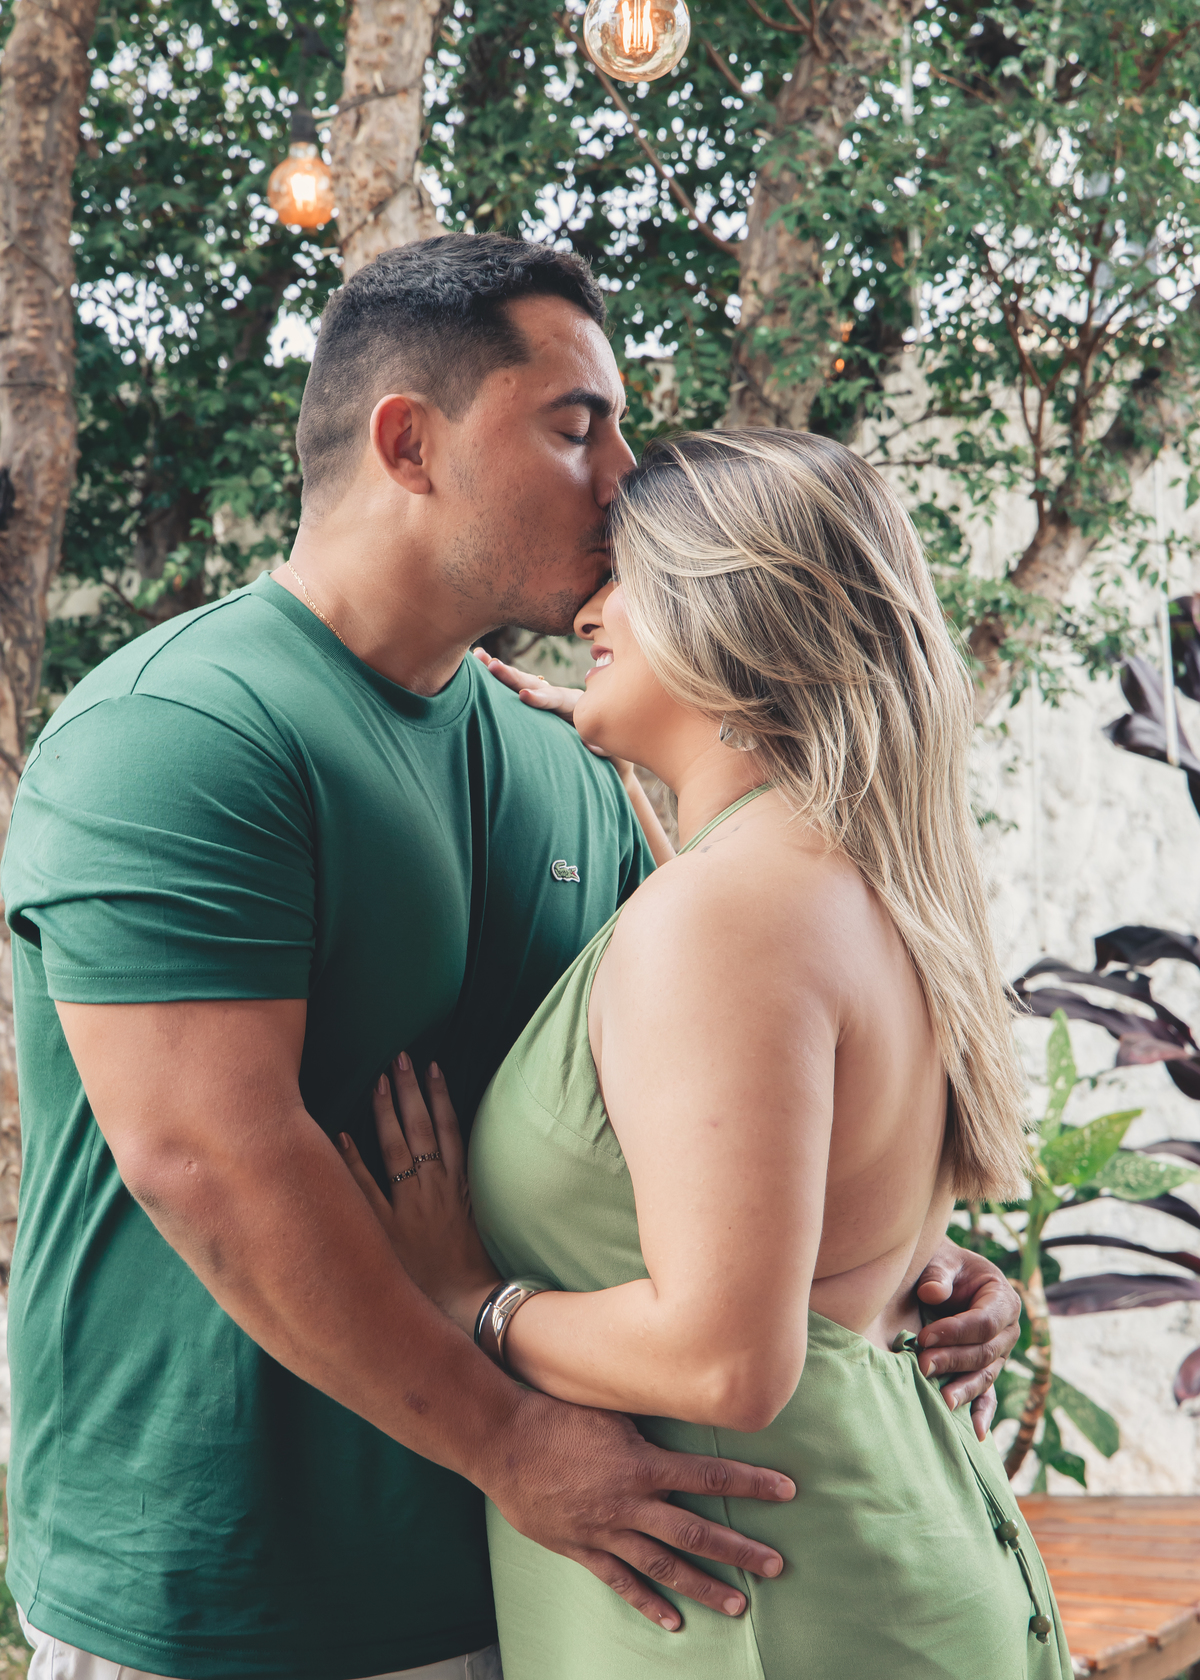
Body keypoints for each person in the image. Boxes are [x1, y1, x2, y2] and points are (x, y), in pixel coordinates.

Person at [2, 235, 1020, 1680]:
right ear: (407, 444)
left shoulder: (570, 762)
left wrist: (887, 1260)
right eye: (575, 426)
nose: (622, 479)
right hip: (232, 1591)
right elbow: (207, 1160)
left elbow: (689, 1118)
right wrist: (512, 1443)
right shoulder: (182, 731)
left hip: (547, 1572)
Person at [343, 429, 1071, 1678]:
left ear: (729, 617)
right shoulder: (845, 878)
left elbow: (723, 1359)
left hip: (770, 1611)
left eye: (627, 579)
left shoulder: (729, 917)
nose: (588, 610)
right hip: (853, 1559)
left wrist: (471, 1302)